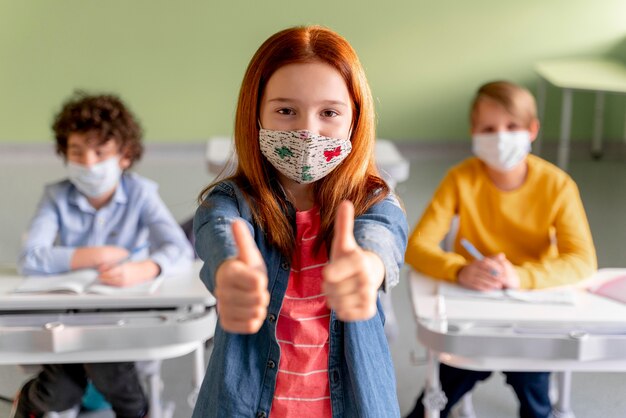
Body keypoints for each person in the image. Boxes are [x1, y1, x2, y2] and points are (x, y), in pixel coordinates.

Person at [192, 26, 408, 418]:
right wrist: (229, 273)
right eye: (286, 110)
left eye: (329, 112)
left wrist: (367, 267)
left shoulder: (375, 201)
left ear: (355, 119)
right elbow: (218, 233)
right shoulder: (229, 203)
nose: (307, 131)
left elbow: (382, 237)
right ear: (254, 113)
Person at [404, 81, 597, 418]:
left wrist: (520, 276)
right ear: (474, 133)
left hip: (531, 318)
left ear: (532, 130)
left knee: (536, 399)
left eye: (512, 127)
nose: (501, 137)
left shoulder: (558, 185)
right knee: (432, 402)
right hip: (472, 315)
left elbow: (582, 261)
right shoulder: (460, 179)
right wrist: (459, 270)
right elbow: (417, 246)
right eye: (489, 129)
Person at [12, 92, 194, 418]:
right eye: (77, 152)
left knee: (114, 374)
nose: (88, 163)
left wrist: (146, 268)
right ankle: (30, 399)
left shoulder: (141, 193)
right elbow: (31, 258)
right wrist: (93, 255)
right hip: (66, 321)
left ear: (124, 155)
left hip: (120, 323)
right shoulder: (56, 197)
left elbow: (179, 248)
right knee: (58, 391)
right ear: (64, 154)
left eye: (99, 152)